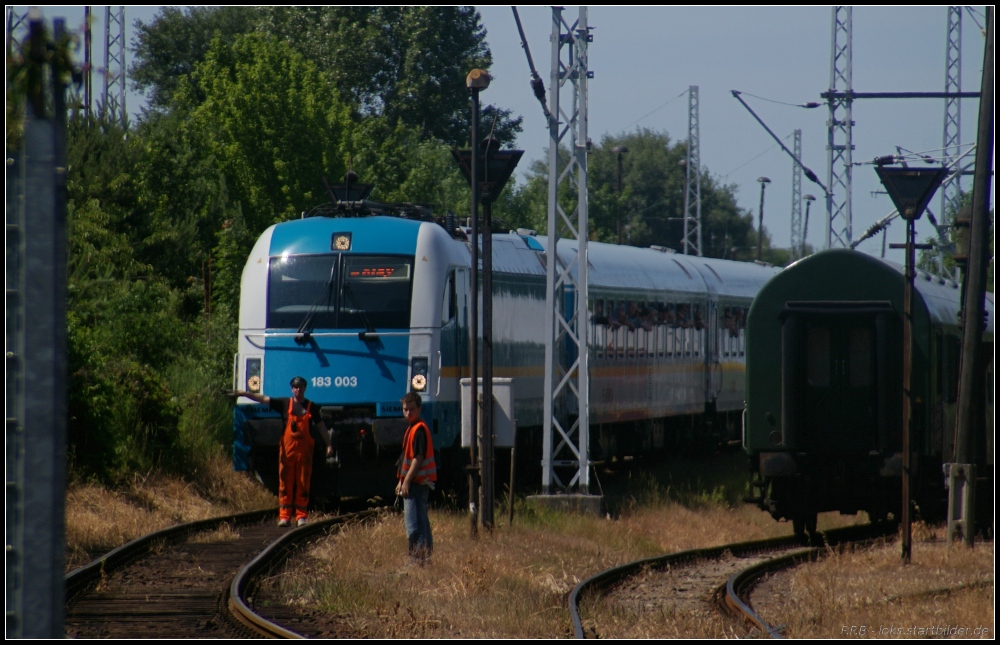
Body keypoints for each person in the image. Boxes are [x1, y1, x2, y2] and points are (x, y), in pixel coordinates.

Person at [232, 376, 333, 527]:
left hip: (304, 454)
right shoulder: (284, 404)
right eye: (295, 387)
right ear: (292, 389)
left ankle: (301, 516)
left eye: (300, 387)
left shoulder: (312, 407)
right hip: (288, 453)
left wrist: (329, 444)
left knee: (303, 484)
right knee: (285, 483)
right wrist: (244, 393)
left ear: (304, 388)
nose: (297, 390)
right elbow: (264, 399)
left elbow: (321, 427)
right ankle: (284, 516)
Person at [395, 392, 436, 564]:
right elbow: (405, 460)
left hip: (417, 484)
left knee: (414, 525)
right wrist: (401, 480)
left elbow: (418, 458)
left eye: (412, 409)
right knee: (421, 521)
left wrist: (407, 481)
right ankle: (424, 557)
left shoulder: (418, 430)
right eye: (405, 409)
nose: (408, 412)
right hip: (417, 482)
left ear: (419, 408)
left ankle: (417, 560)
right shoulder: (412, 429)